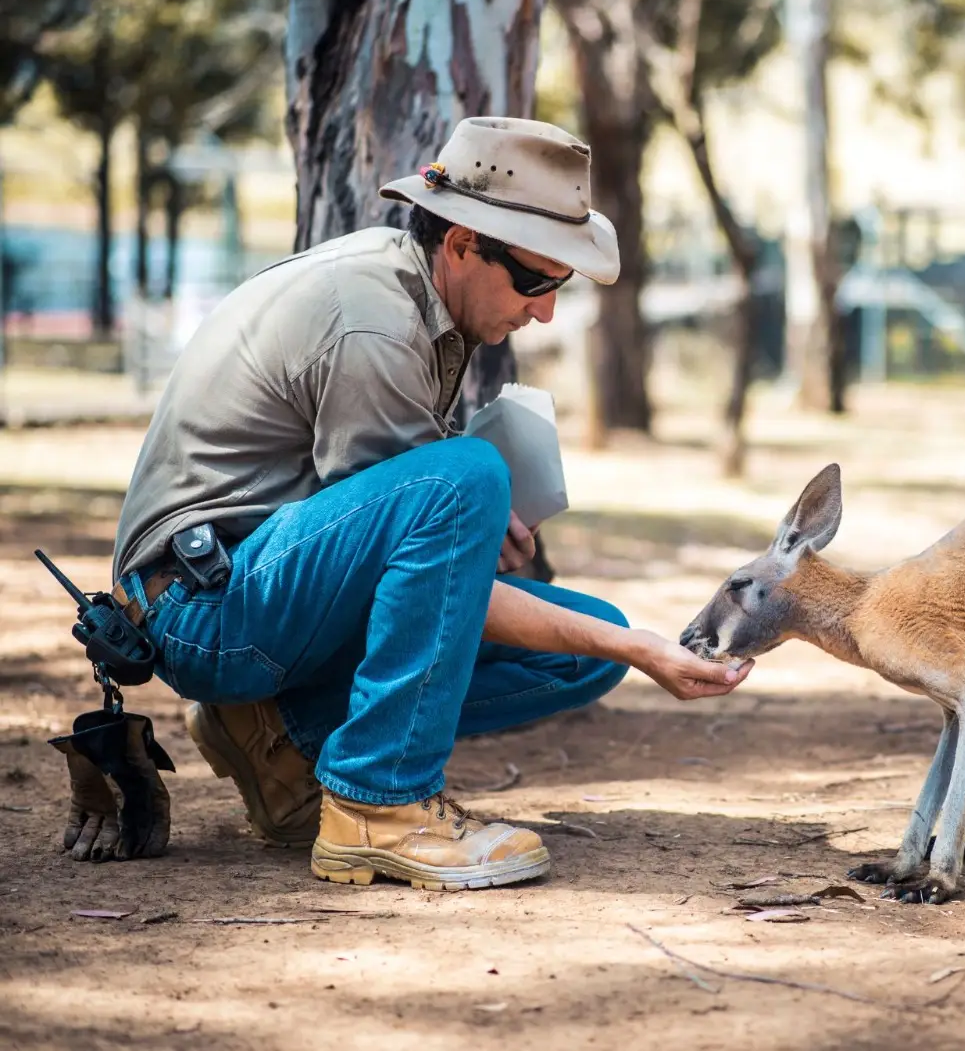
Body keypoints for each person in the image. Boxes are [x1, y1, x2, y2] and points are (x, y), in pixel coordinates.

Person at [107, 117, 753, 891]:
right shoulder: (375, 322)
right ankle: (377, 802)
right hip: (200, 612)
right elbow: (433, 564)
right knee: (472, 481)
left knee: (586, 641)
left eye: (561, 285)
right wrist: (643, 649)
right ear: (461, 244)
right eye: (536, 281)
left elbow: (402, 574)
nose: (545, 311)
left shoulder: (421, 299)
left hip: (251, 586)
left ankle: (289, 737)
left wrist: (476, 546)